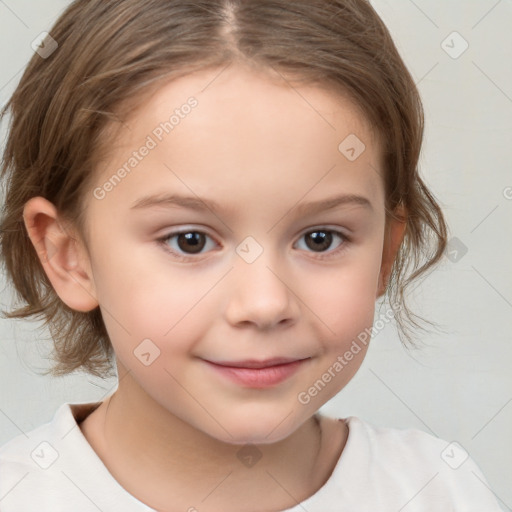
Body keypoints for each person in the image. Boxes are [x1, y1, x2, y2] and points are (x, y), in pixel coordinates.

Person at [0, 0, 504, 510]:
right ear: (69, 256)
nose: (265, 304)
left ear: (384, 253)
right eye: (190, 240)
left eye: (320, 238)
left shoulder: (442, 491)